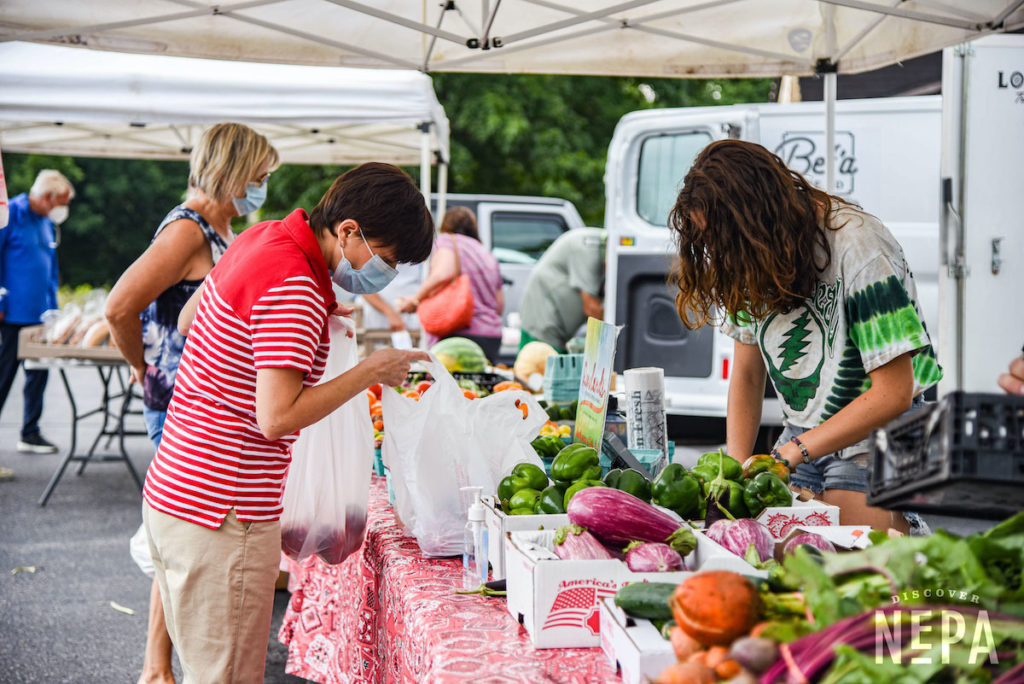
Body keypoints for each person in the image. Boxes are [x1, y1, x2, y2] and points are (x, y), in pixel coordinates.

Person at [142, 162, 433, 683]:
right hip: (223, 514)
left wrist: (305, 320)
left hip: (175, 492)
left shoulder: (265, 237)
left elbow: (191, 320)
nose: (386, 276)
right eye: (386, 260)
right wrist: (370, 369)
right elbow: (276, 418)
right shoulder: (295, 284)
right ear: (348, 231)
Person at [668, 140, 943, 532]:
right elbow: (747, 374)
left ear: (755, 221)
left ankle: (911, 535)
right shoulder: (745, 255)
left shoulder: (859, 244)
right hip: (804, 432)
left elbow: (894, 393)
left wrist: (792, 454)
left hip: (884, 429)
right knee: (780, 542)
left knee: (849, 553)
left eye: (723, 240)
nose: (717, 252)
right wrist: (734, 471)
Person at [105, 123, 279, 684]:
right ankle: (156, 667)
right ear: (233, 171)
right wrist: (143, 365)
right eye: (259, 176)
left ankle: (158, 667)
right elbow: (118, 307)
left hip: (204, 402)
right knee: (183, 544)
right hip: (185, 402)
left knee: (182, 545)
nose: (263, 186)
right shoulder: (188, 230)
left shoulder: (221, 227)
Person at [0, 169, 74, 455]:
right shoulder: (12, 214)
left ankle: (29, 432)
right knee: (4, 376)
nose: (62, 210)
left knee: (38, 377)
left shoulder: (45, 222)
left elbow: (50, 268)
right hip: (12, 316)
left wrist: (52, 308)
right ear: (46, 197)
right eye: (61, 203)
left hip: (41, 315)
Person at [398, 206, 503, 360]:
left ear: (446, 226)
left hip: (458, 335)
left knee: (447, 384)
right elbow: (499, 304)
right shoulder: (485, 252)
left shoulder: (447, 241)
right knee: (478, 384)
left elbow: (444, 273)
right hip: (491, 337)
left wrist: (415, 299)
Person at [518, 227, 605, 353]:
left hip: (560, 330)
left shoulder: (602, 250)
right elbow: (592, 308)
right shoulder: (588, 246)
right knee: (537, 363)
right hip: (543, 321)